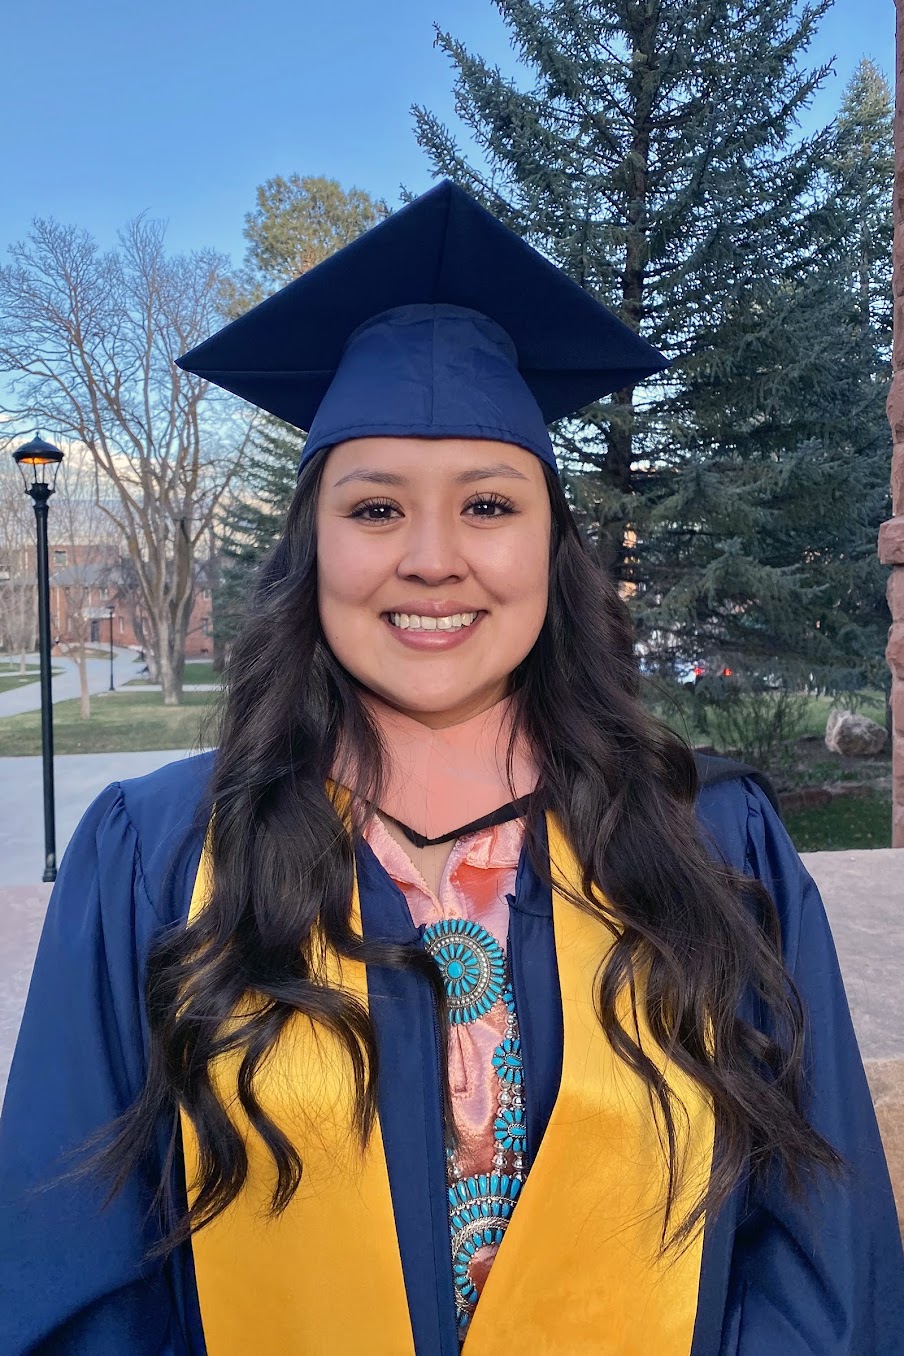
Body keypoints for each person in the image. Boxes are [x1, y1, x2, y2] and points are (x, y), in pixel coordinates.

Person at [1, 181, 902, 1356]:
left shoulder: (709, 845)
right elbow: (77, 1276)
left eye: (487, 503)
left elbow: (816, 1265)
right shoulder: (157, 857)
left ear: (552, 547)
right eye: (375, 509)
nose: (432, 560)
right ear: (311, 549)